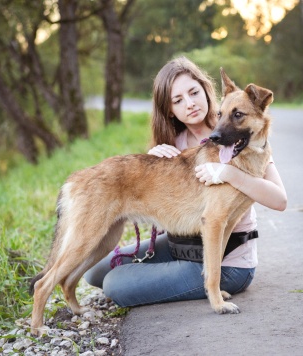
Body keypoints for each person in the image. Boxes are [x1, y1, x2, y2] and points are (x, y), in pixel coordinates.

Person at [84, 56, 287, 307]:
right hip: (182, 245)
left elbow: (280, 200)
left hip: (231, 264)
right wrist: (152, 162)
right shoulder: (175, 143)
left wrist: (229, 173)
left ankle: (200, 281)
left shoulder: (246, 141)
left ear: (205, 89)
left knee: (116, 284)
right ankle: (173, 272)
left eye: (193, 92)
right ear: (169, 109)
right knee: (94, 273)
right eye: (178, 100)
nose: (189, 104)